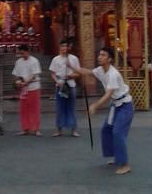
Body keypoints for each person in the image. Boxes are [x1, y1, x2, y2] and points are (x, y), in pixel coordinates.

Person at [76, 47, 133, 175]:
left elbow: (108, 95)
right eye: (99, 54)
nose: (99, 57)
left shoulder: (113, 74)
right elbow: (88, 72)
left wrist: (95, 105)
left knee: (118, 133)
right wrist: (72, 66)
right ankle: (117, 156)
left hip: (125, 106)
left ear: (110, 59)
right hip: (115, 106)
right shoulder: (101, 70)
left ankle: (125, 164)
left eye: (103, 55)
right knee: (106, 130)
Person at [49, 39, 80, 137]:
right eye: (62, 46)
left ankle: (73, 129)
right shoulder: (56, 59)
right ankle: (59, 129)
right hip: (60, 85)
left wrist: (71, 76)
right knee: (59, 108)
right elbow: (52, 74)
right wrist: (57, 82)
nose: (64, 48)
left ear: (68, 47)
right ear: (60, 47)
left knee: (71, 107)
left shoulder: (74, 59)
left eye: (66, 46)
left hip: (70, 85)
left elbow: (78, 73)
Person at [12, 44, 42, 136]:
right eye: (20, 53)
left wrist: (26, 82)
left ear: (27, 51)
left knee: (34, 109)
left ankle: (36, 129)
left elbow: (34, 75)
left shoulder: (34, 61)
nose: (21, 55)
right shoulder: (18, 62)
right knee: (23, 109)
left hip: (33, 87)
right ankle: (25, 128)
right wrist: (17, 82)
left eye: (23, 53)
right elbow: (16, 74)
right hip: (23, 89)